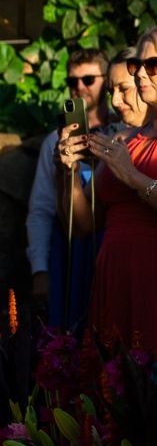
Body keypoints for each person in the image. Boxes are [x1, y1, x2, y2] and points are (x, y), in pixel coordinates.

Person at [58, 29, 157, 350]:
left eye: (151, 64)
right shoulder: (122, 140)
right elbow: (84, 225)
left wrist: (131, 176)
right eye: (137, 66)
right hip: (113, 279)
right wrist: (70, 172)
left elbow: (132, 180)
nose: (141, 73)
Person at [25, 49, 108, 327]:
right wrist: (41, 269)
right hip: (71, 254)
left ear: (106, 80)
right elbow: (41, 209)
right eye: (73, 81)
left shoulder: (124, 134)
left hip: (110, 251)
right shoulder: (55, 142)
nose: (80, 88)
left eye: (88, 79)